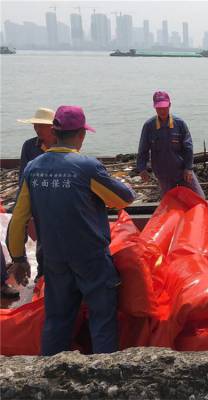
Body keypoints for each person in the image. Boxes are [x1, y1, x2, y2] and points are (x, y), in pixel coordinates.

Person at [7, 105, 136, 355]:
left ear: (54, 132)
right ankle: (103, 378)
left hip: (54, 257)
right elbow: (124, 199)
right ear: (81, 135)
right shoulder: (86, 167)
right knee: (102, 320)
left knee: (57, 321)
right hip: (91, 258)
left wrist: (19, 258)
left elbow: (18, 218)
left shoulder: (33, 168)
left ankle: (49, 376)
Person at [137, 91, 205, 198]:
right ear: (154, 107)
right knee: (170, 202)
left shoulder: (180, 124)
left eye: (164, 107)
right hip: (163, 174)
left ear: (170, 105)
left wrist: (189, 168)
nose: (162, 110)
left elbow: (188, 147)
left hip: (182, 171)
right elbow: (143, 149)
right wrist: (142, 169)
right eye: (159, 108)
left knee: (199, 198)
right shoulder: (149, 126)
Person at [17, 107, 57, 281]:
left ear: (52, 128)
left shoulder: (61, 145)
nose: (37, 129)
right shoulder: (29, 146)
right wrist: (23, 201)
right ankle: (42, 272)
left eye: (41, 125)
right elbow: (23, 176)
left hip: (59, 199)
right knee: (42, 238)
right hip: (38, 200)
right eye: (36, 125)